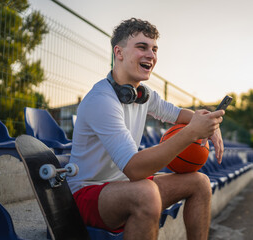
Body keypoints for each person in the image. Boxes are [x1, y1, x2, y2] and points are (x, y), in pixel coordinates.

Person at [68, 18, 225, 240]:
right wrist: (191, 132)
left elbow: (179, 114)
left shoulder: (143, 94)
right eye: (142, 47)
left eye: (154, 49)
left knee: (200, 183)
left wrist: (208, 124)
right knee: (145, 192)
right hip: (86, 194)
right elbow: (134, 169)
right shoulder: (101, 100)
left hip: (124, 186)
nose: (151, 55)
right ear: (119, 53)